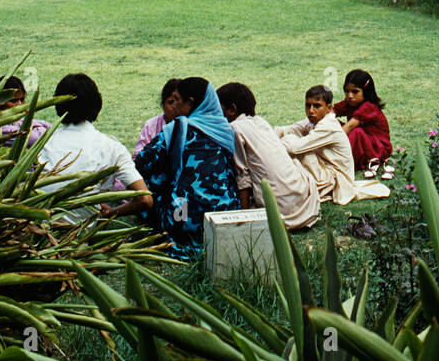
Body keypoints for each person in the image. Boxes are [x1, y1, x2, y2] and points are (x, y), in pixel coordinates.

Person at [135, 76, 240, 255]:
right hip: (225, 214)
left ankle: (176, 231)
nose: (173, 106)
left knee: (155, 183)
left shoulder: (177, 128)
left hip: (185, 217)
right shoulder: (226, 130)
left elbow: (142, 162)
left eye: (176, 100)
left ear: (190, 103)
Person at [38, 73, 152, 224]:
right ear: (96, 104)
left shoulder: (43, 143)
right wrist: (112, 213)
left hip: (40, 232)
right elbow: (145, 200)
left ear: (58, 104)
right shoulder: (111, 147)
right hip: (81, 235)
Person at [217, 82, 320, 229]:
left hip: (280, 212)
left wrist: (244, 218)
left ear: (232, 109)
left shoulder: (235, 128)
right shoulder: (261, 122)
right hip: (304, 203)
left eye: (219, 110)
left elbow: (243, 177)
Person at [277, 85, 390, 203]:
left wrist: (272, 145)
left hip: (337, 180)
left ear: (329, 108)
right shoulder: (315, 119)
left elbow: (295, 148)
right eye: (308, 105)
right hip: (325, 171)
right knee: (291, 137)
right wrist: (270, 135)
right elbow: (291, 128)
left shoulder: (328, 125)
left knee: (297, 148)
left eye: (317, 106)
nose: (311, 111)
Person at [334, 69, 392, 172]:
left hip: (378, 148)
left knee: (356, 132)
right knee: (333, 123)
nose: (350, 95)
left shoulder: (369, 107)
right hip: (363, 143)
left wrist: (327, 141)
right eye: (347, 91)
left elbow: (349, 127)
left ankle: (339, 161)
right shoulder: (349, 103)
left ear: (366, 91)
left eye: (355, 91)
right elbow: (330, 113)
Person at [133, 77, 179, 157]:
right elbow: (138, 155)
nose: (175, 107)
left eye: (179, 103)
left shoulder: (190, 128)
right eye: (171, 102)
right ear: (163, 103)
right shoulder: (151, 125)